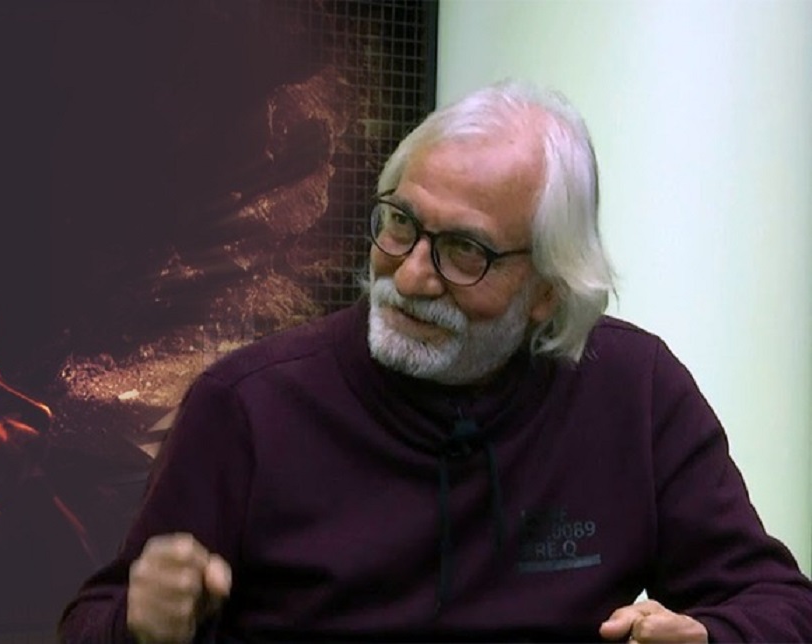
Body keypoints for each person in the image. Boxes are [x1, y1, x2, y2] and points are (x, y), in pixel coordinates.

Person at [59, 80, 812, 642]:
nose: (412, 275)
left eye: (464, 251)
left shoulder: (635, 391)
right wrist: (139, 624)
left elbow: (780, 604)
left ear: (547, 291)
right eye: (399, 224)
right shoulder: (248, 404)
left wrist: (712, 636)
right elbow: (92, 621)